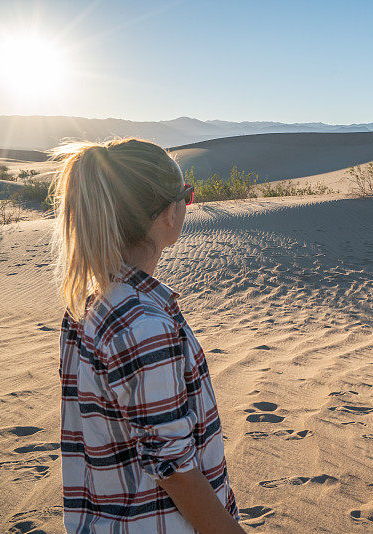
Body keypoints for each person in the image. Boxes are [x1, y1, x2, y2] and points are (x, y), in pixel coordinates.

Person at [49, 138, 244, 533]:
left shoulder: (90, 304)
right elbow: (174, 470)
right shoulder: (144, 327)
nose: (187, 206)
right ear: (168, 214)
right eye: (187, 197)